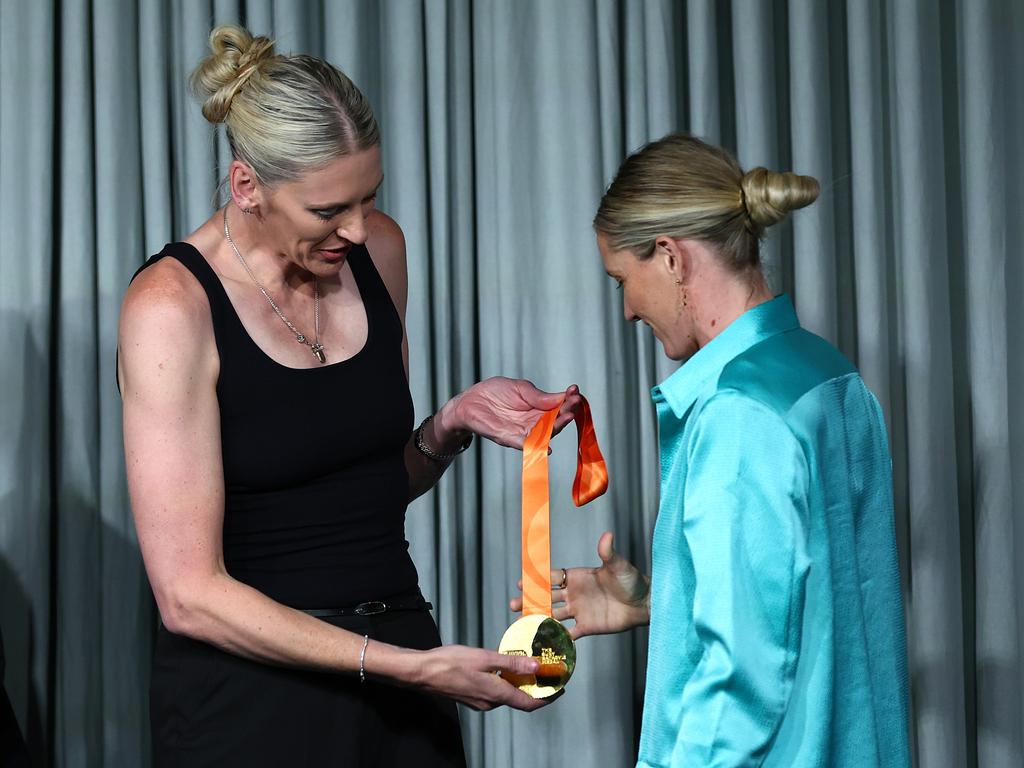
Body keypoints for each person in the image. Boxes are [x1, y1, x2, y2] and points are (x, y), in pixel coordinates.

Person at [118, 25, 581, 767]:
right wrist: (409, 667)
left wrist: (448, 425)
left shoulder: (377, 252)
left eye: (370, 198)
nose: (359, 228)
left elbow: (367, 490)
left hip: (400, 668)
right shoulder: (172, 307)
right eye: (330, 209)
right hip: (252, 699)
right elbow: (189, 595)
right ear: (247, 186)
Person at [513, 133, 911, 766]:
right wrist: (659, 603)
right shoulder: (831, 377)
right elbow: (812, 606)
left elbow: (741, 683)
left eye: (623, 279)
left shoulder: (738, 416)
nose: (627, 310)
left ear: (671, 256)